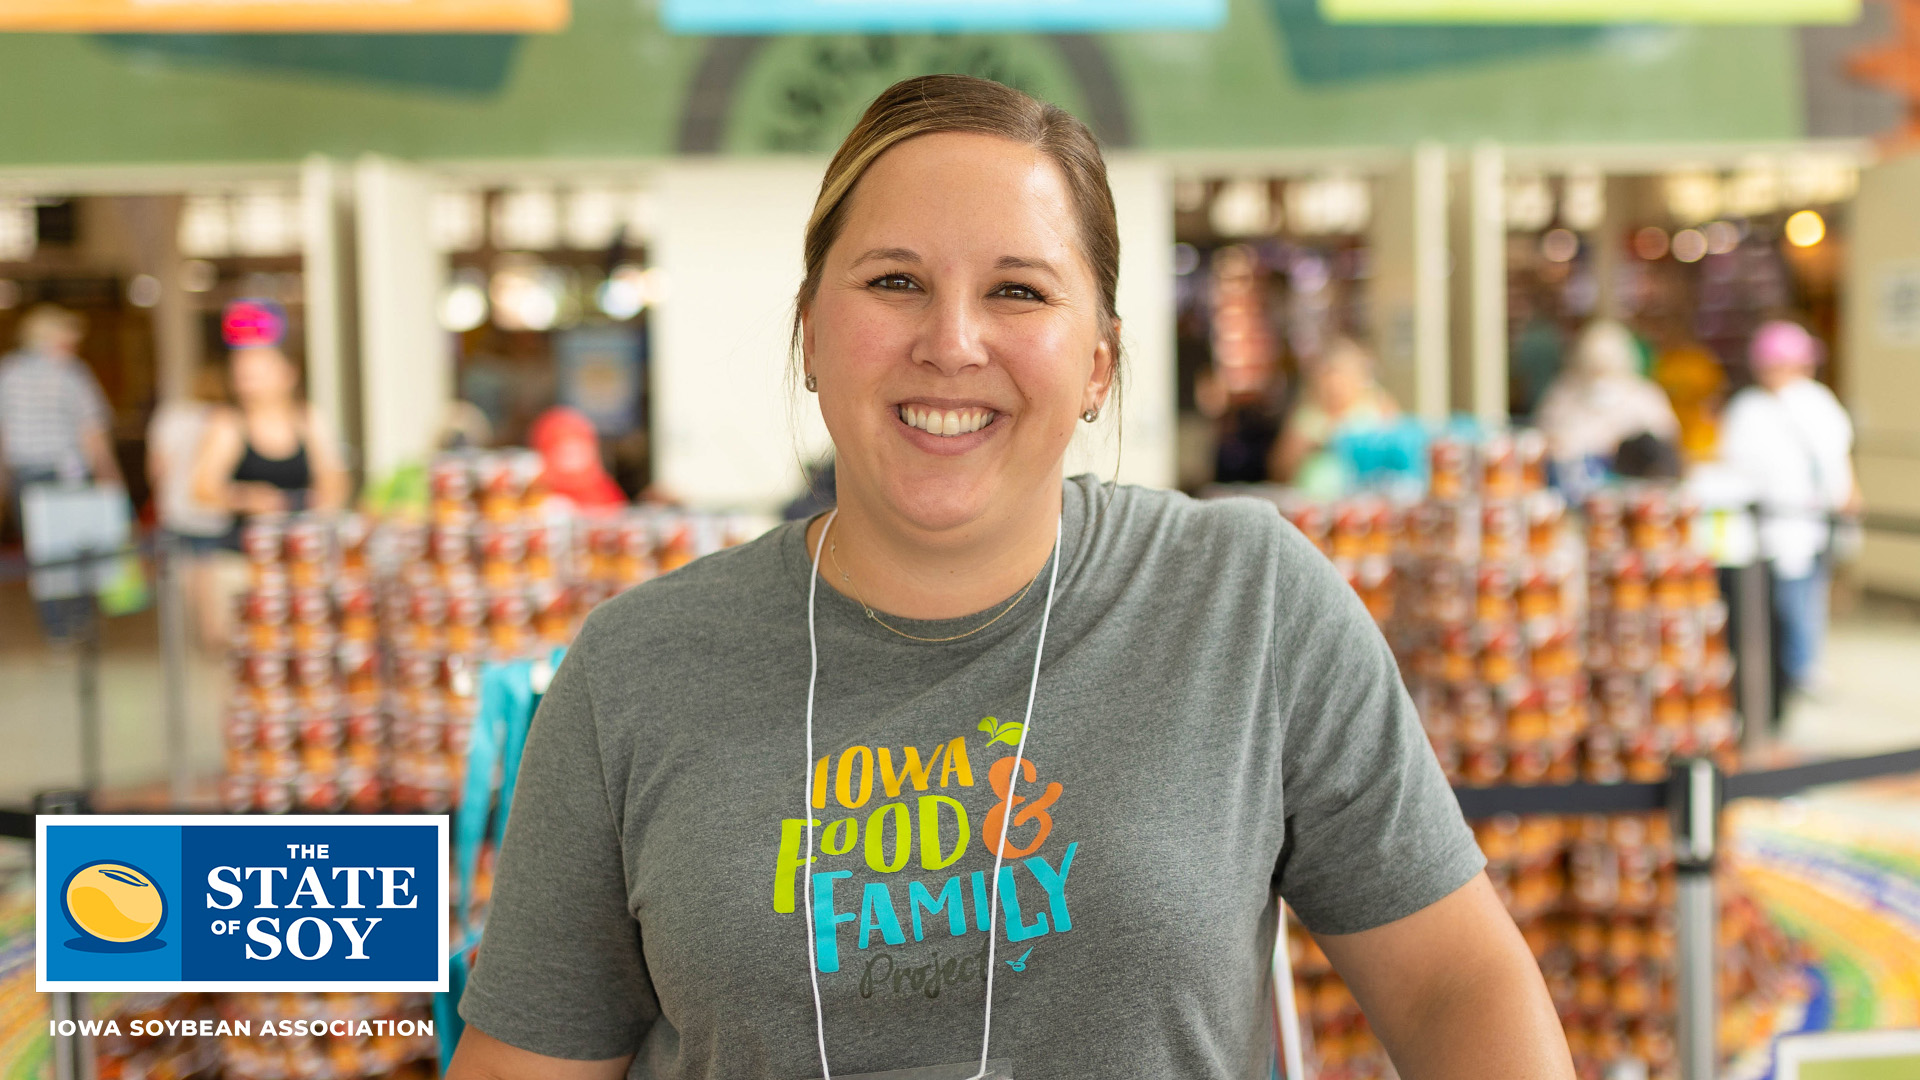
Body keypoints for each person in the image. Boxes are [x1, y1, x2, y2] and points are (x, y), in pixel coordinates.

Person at [449, 75, 1571, 1080]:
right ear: (809, 336)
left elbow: (1451, 983)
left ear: (1098, 362)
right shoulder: (638, 670)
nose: (951, 341)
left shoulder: (1246, 603)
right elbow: (526, 1064)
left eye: (1019, 292)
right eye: (894, 280)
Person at [1717, 320, 1859, 698]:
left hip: (1814, 521)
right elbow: (1737, 467)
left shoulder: (1815, 402)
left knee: (1806, 597)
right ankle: (1784, 669)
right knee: (1779, 600)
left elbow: (1837, 460)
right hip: (1770, 525)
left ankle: (1801, 666)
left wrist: (1846, 499)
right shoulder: (1749, 408)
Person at [190, 340, 348, 531]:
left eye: (259, 372)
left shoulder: (309, 419)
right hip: (249, 543)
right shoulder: (229, 424)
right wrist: (247, 498)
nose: (250, 381)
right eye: (244, 374)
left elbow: (334, 477)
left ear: (289, 373)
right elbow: (203, 489)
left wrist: (324, 501)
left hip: (301, 537)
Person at [0, 304, 123, 535]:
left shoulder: (7, 372)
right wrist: (110, 478)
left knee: (37, 548)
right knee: (70, 546)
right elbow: (92, 432)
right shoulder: (72, 373)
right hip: (66, 474)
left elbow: (4, 434)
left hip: (23, 476)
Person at [1534, 319, 1678, 496]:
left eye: (1607, 366)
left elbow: (1666, 441)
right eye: (1594, 366)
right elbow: (1544, 437)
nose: (1600, 374)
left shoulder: (1644, 396)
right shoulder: (1564, 394)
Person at [146, 365, 234, 648]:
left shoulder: (170, 417)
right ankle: (214, 630)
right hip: (212, 511)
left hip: (176, 507)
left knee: (186, 572)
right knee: (209, 572)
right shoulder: (225, 420)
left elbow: (157, 467)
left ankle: (200, 627)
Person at [1268, 336, 1398, 495]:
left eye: (1342, 377)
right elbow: (1279, 469)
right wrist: (1314, 446)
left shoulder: (1379, 406)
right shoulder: (1308, 415)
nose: (1335, 388)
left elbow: (1397, 453)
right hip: (1312, 500)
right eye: (1327, 378)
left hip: (1366, 499)